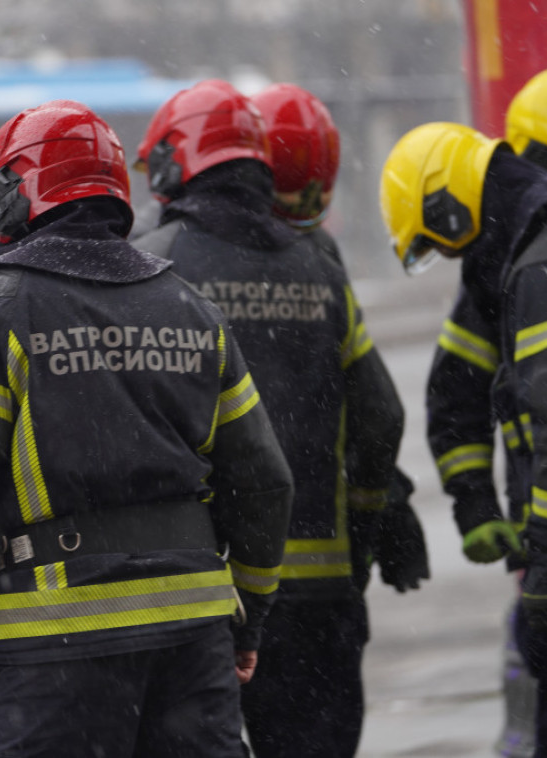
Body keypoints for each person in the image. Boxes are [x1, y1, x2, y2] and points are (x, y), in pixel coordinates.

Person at [0, 99, 294, 758]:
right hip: (193, 642)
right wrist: (250, 616)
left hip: (54, 651)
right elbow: (264, 480)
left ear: (11, 196)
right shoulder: (191, 307)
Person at [131, 79, 405, 758]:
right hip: (319, 595)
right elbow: (381, 417)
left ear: (174, 163)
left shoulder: (153, 263)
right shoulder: (319, 268)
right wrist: (365, 531)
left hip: (201, 597)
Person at [380, 121, 547, 756]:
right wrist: (473, 499)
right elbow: (456, 395)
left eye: (441, 243)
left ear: (448, 208)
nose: (453, 259)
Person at [249, 81, 430, 598]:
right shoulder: (318, 256)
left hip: (221, 576)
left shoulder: (176, 246)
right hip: (322, 565)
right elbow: (373, 408)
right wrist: (381, 504)